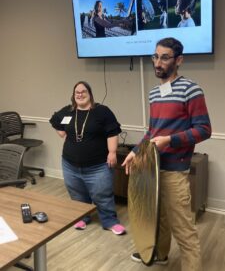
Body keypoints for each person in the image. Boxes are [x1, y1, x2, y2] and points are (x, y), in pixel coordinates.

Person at [122, 37, 211, 270]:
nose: (157, 62)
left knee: (184, 230)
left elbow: (204, 129)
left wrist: (170, 140)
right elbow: (153, 131)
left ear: (178, 60)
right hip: (151, 168)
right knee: (158, 219)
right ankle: (160, 254)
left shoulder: (191, 89)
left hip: (174, 172)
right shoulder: (154, 93)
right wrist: (135, 152)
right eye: (155, 56)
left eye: (164, 57)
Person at [49, 81, 126, 235]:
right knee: (77, 193)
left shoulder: (102, 111)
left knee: (102, 195)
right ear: (73, 95)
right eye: (77, 92)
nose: (80, 94)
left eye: (83, 91)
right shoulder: (68, 111)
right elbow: (54, 121)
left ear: (90, 94)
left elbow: (113, 132)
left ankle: (109, 221)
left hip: (98, 166)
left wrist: (112, 152)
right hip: (70, 164)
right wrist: (63, 133)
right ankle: (82, 217)